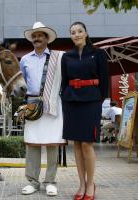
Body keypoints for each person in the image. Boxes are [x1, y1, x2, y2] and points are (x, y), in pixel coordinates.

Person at [61, 21, 109, 200]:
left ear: (86, 33)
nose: (76, 34)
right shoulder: (67, 56)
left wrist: (98, 99)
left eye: (80, 31)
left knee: (87, 144)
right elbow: (64, 81)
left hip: (91, 102)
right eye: (73, 32)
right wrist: (64, 96)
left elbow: (104, 81)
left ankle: (91, 184)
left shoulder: (98, 54)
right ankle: (81, 184)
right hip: (71, 102)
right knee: (77, 146)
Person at [20, 22, 66, 196]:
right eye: (34, 36)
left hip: (53, 104)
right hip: (32, 105)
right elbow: (22, 85)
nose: (36, 38)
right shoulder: (24, 59)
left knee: (52, 144)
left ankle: (50, 181)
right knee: (32, 144)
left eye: (40, 35)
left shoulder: (59, 57)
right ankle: (32, 182)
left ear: (47, 38)